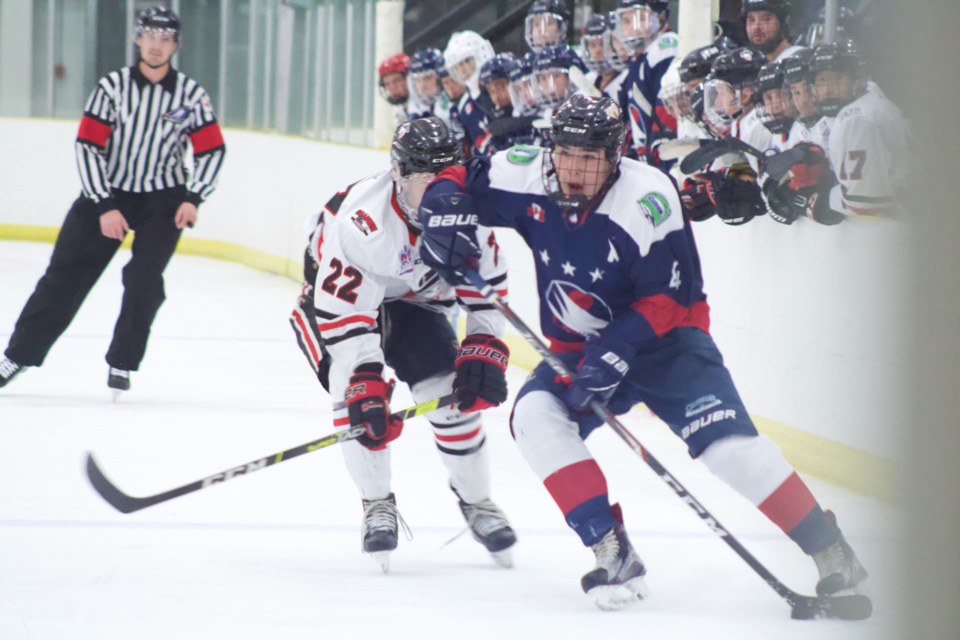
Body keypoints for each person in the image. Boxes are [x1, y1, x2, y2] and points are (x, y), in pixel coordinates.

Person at [416, 94, 869, 610]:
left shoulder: (648, 196)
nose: (575, 170)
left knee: (729, 451)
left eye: (591, 158)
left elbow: (667, 298)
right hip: (577, 349)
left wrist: (615, 352)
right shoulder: (524, 171)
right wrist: (440, 211)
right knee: (535, 416)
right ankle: (610, 547)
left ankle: (832, 551)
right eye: (566, 153)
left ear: (617, 155)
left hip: (665, 343)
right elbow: (459, 174)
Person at [288, 117, 517, 573]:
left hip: (417, 303)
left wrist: (484, 347)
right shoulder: (364, 222)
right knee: (354, 399)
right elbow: (348, 319)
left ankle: (477, 501)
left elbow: (486, 299)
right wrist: (365, 377)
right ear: (398, 174)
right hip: (338, 305)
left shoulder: (472, 214)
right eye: (421, 182)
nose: (434, 194)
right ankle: (376, 503)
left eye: (444, 180)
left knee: (450, 397)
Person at [0, 6, 225, 393]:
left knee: (143, 280)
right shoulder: (112, 87)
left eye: (165, 38)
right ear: (138, 39)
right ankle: (17, 355)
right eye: (150, 36)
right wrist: (104, 205)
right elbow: (88, 147)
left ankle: (122, 362)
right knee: (64, 276)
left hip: (163, 199)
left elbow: (212, 150)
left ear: (176, 45)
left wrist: (193, 198)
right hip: (109, 192)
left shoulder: (191, 95)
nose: (156, 46)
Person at [740, 0, 805, 63]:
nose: (756, 27)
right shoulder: (748, 65)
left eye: (766, 19)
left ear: (783, 22)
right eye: (752, 20)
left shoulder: (801, 59)